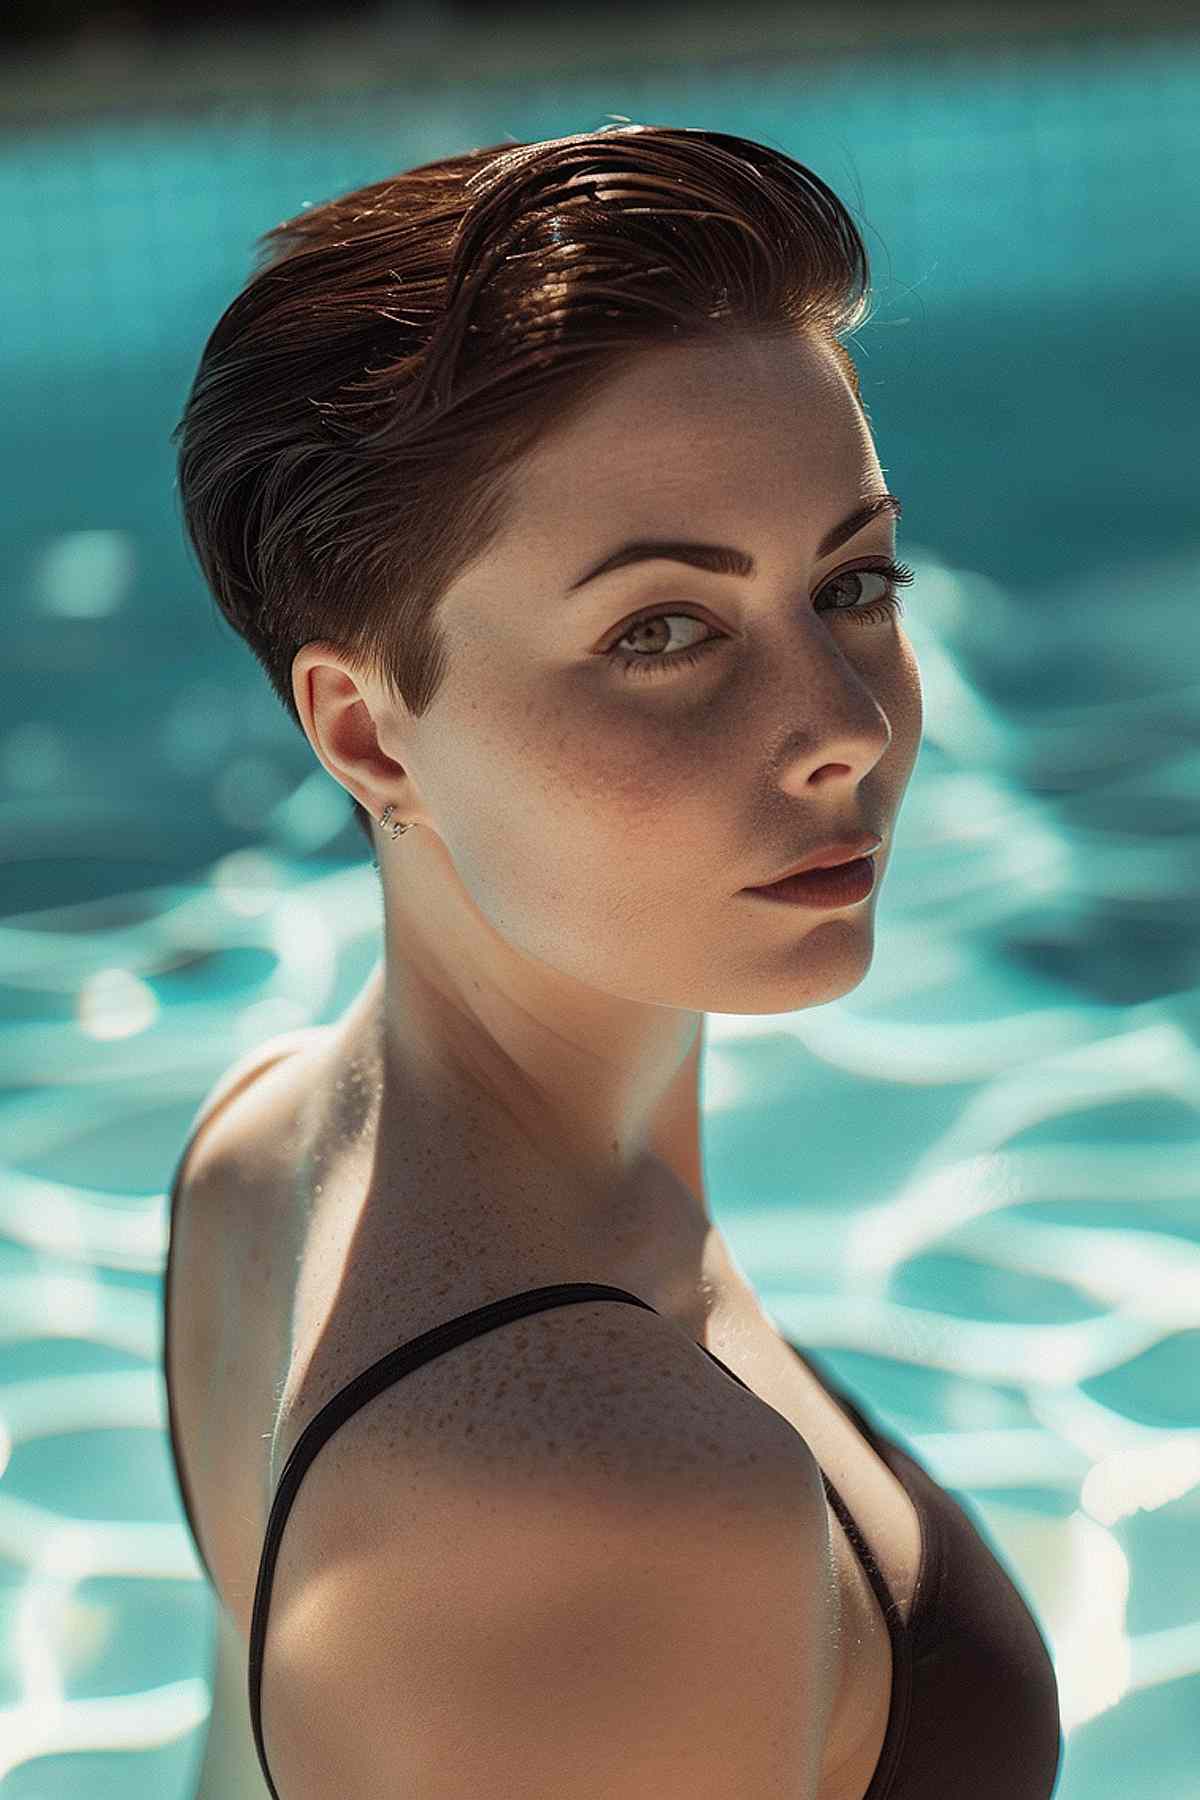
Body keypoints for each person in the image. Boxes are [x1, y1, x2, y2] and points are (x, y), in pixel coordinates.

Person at [166, 125, 1061, 1799]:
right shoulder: (606, 1508)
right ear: (371, 734)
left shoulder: (261, 1154)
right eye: (662, 630)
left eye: (853, 582)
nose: (846, 728)